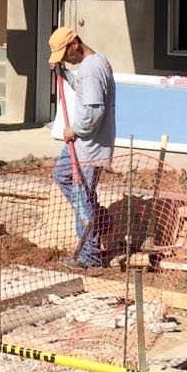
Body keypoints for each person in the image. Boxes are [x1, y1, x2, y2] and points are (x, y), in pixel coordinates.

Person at [48, 26, 115, 268]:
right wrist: (64, 73)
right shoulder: (92, 66)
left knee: (80, 197)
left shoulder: (92, 70)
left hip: (89, 146)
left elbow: (94, 112)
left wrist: (74, 129)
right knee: (62, 175)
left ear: (75, 44)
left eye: (65, 55)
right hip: (81, 143)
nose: (66, 59)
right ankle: (99, 217)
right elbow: (85, 93)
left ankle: (90, 257)